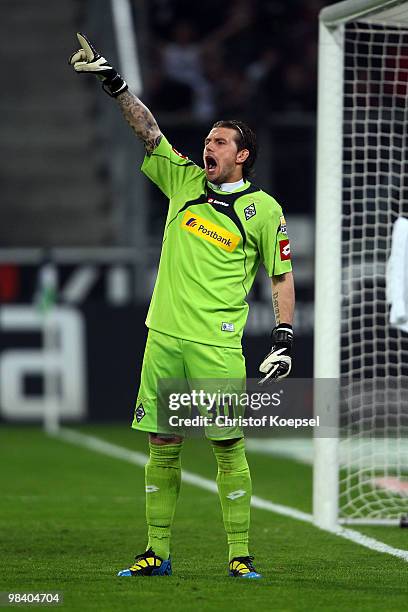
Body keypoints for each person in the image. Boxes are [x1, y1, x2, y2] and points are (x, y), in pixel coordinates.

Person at [69, 33, 295, 580]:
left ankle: (240, 557)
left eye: (219, 143)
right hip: (164, 337)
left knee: (226, 449)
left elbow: (281, 276)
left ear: (242, 155)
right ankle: (157, 553)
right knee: (162, 447)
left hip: (216, 345)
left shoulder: (264, 210)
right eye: (208, 141)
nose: (207, 148)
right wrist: (115, 85)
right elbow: (149, 132)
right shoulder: (184, 182)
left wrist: (284, 338)